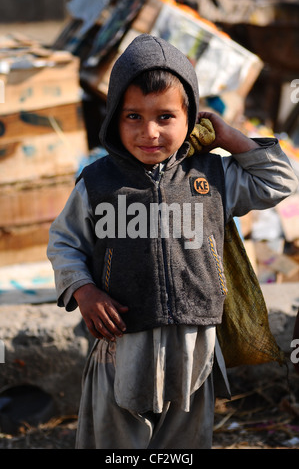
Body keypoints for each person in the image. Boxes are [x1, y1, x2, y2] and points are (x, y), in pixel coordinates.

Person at [47, 34, 298, 449]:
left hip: (193, 345)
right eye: (133, 117)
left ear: (191, 118)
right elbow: (64, 243)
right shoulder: (98, 182)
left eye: (165, 117)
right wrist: (84, 290)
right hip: (122, 343)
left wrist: (228, 136)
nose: (150, 132)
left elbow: (280, 180)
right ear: (113, 117)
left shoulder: (213, 178)